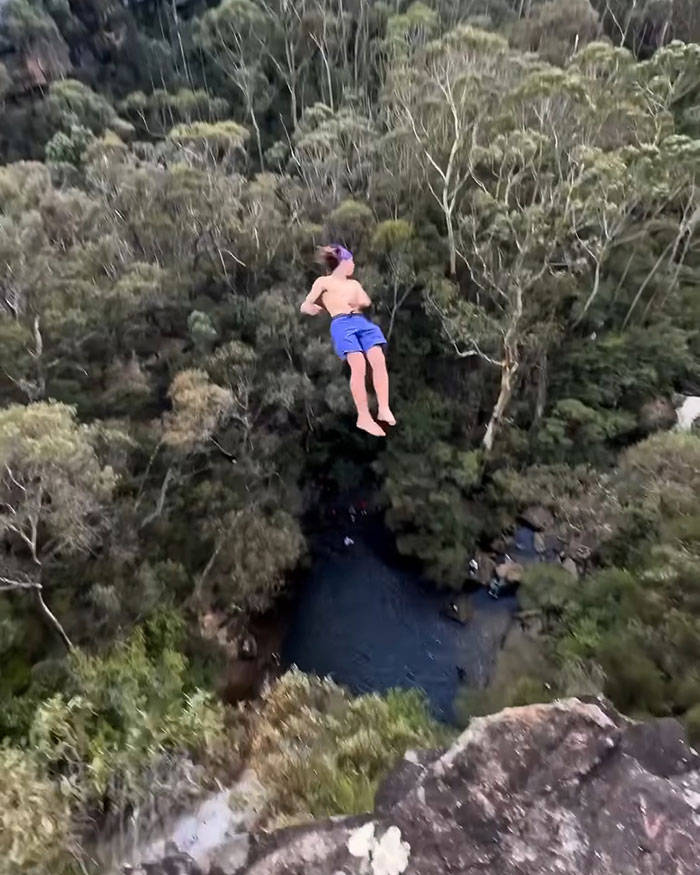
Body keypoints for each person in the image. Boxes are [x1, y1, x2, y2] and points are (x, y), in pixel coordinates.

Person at [300, 244, 395, 437]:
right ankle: (364, 417)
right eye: (351, 261)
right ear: (343, 262)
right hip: (342, 323)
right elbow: (306, 303)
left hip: (360, 321)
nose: (353, 265)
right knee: (358, 364)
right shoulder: (323, 282)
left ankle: (383, 407)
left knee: (377, 358)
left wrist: (360, 302)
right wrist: (309, 308)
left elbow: (365, 301)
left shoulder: (354, 284)